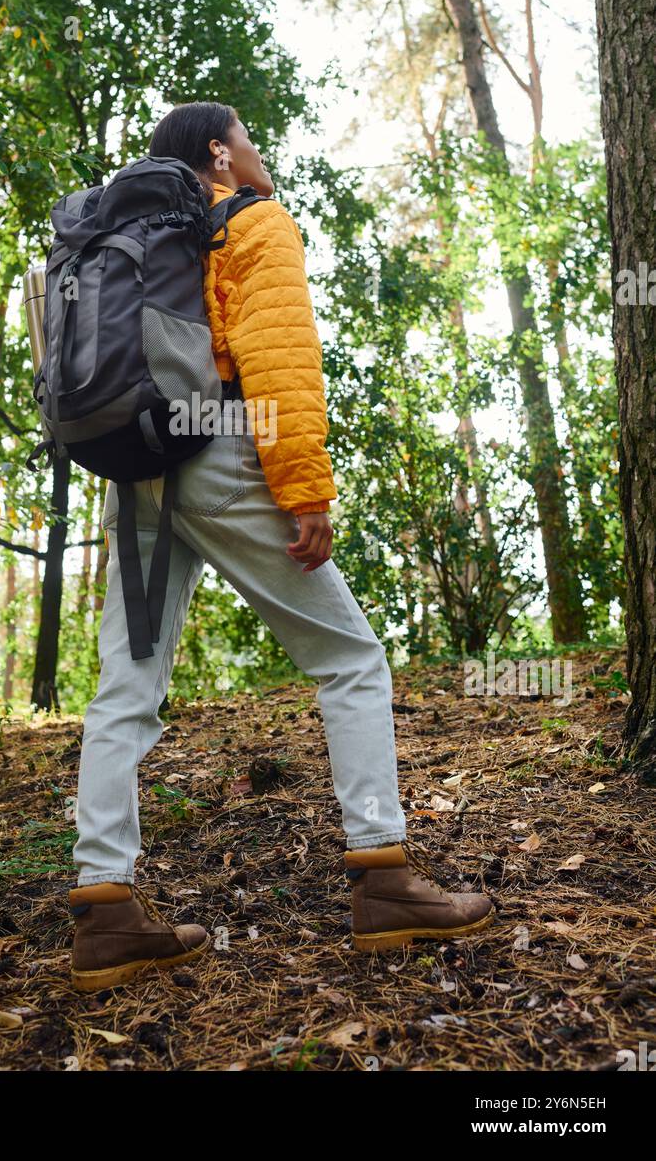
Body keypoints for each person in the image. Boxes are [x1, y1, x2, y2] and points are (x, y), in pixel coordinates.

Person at [66, 102, 494, 991]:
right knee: (351, 659)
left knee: (125, 686)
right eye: (249, 137)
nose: (260, 152)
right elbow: (279, 358)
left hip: (143, 468)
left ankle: (103, 906)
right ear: (219, 152)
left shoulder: (123, 235)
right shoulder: (253, 221)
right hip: (220, 450)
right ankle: (385, 878)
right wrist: (306, 492)